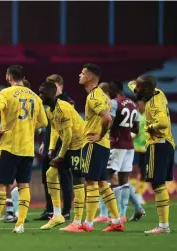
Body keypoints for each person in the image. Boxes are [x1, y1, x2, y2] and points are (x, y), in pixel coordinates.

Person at [0, 65, 48, 234]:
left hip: (9, 146)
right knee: (23, 186)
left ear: (9, 77)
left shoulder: (6, 93)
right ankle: (20, 224)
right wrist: (29, 126)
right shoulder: (35, 96)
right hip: (27, 148)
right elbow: (43, 122)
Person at [75, 63, 124, 232]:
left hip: (94, 144)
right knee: (103, 183)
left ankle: (88, 223)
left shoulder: (94, 96)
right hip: (103, 146)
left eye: (82, 73)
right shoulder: (103, 96)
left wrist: (99, 135)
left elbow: (107, 118)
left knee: (91, 182)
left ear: (89, 77)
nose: (79, 76)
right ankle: (116, 220)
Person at [37, 81, 85, 231]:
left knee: (77, 180)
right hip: (68, 144)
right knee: (50, 174)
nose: (40, 96)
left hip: (79, 144)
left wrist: (61, 155)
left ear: (52, 94)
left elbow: (69, 135)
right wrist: (51, 148)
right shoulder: (50, 110)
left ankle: (77, 221)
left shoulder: (63, 108)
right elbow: (55, 130)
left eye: (42, 93)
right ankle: (57, 214)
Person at [131, 75, 174, 234]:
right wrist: (137, 84)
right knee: (158, 183)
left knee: (157, 183)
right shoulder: (158, 92)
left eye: (139, 87)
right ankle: (164, 225)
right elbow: (133, 84)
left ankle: (163, 226)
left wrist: (150, 127)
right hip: (166, 143)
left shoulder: (155, 104)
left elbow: (162, 122)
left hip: (158, 144)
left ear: (147, 89)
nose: (136, 89)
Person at [36, 74, 74, 221]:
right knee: (47, 177)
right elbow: (51, 127)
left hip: (64, 144)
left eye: (54, 85)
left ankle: (66, 210)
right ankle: (50, 209)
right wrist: (45, 143)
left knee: (65, 177)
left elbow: (65, 129)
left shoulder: (67, 102)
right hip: (50, 144)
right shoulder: (49, 105)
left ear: (61, 86)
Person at [106, 80, 139, 223]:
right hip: (129, 146)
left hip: (116, 144)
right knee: (124, 179)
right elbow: (136, 129)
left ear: (114, 89)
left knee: (107, 176)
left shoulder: (114, 103)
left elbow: (110, 122)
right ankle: (123, 214)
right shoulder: (133, 104)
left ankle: (113, 214)